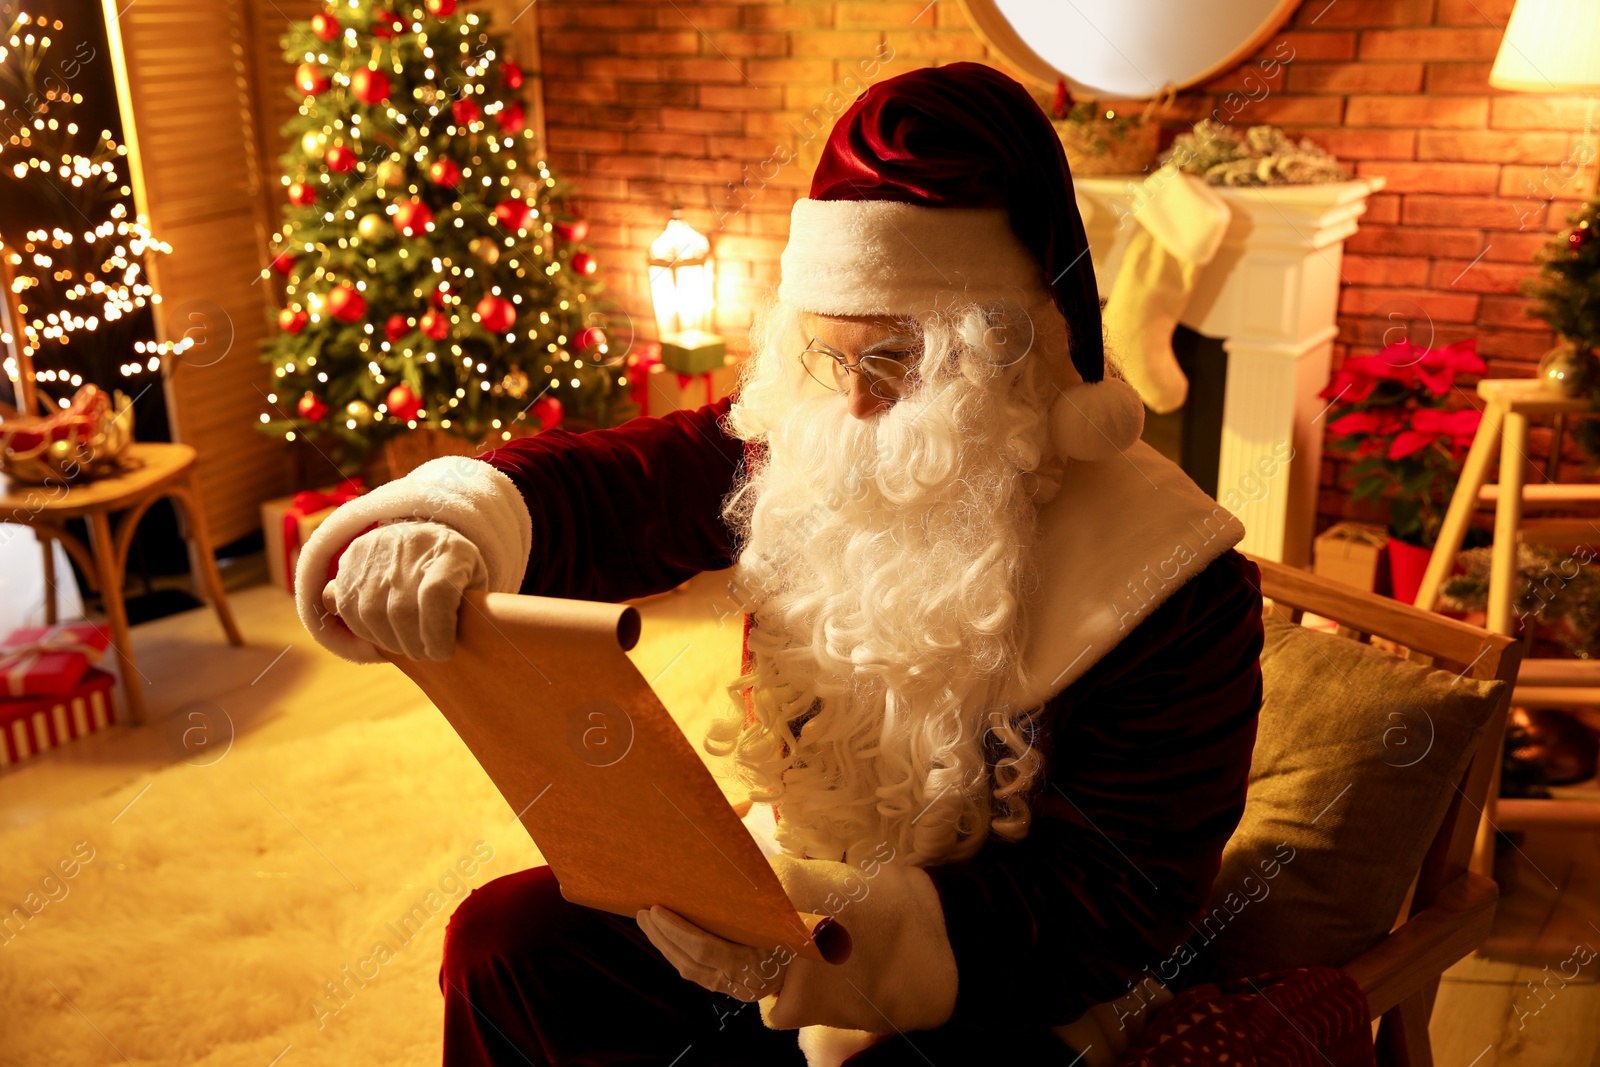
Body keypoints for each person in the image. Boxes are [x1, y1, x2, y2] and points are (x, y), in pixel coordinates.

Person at [295, 62, 1264, 1067]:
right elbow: (616, 485)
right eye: (830, 356)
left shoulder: (1176, 586)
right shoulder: (822, 440)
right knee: (509, 944)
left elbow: (1110, 909)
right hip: (773, 903)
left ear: (1006, 351)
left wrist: (839, 932)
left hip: (997, 994)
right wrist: (443, 526)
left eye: (892, 363)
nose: (848, 409)